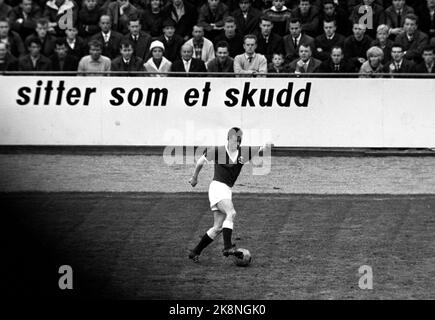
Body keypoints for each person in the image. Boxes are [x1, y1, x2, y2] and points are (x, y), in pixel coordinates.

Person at [188, 127, 272, 263]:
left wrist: (268, 146)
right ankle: (227, 247)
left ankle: (195, 252)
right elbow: (200, 161)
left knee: (217, 228)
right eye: (233, 139)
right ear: (228, 139)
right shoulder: (218, 151)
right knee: (231, 213)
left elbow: (262, 149)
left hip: (226, 190)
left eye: (238, 140)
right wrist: (194, 178)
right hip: (217, 187)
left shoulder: (244, 152)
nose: (235, 142)